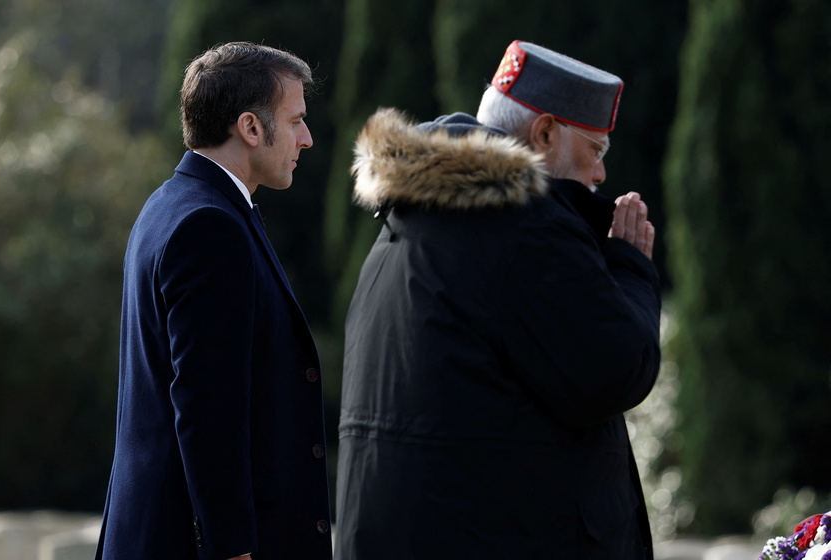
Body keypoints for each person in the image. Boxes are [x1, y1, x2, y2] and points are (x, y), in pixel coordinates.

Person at [334, 40, 661, 560]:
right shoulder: (527, 227)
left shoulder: (407, 219)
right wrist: (631, 271)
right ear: (546, 132)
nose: (599, 175)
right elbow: (616, 369)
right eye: (595, 151)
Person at [94, 42, 332, 560]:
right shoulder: (210, 225)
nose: (307, 139)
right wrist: (232, 548)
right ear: (250, 128)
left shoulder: (174, 204)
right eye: (295, 121)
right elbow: (207, 410)